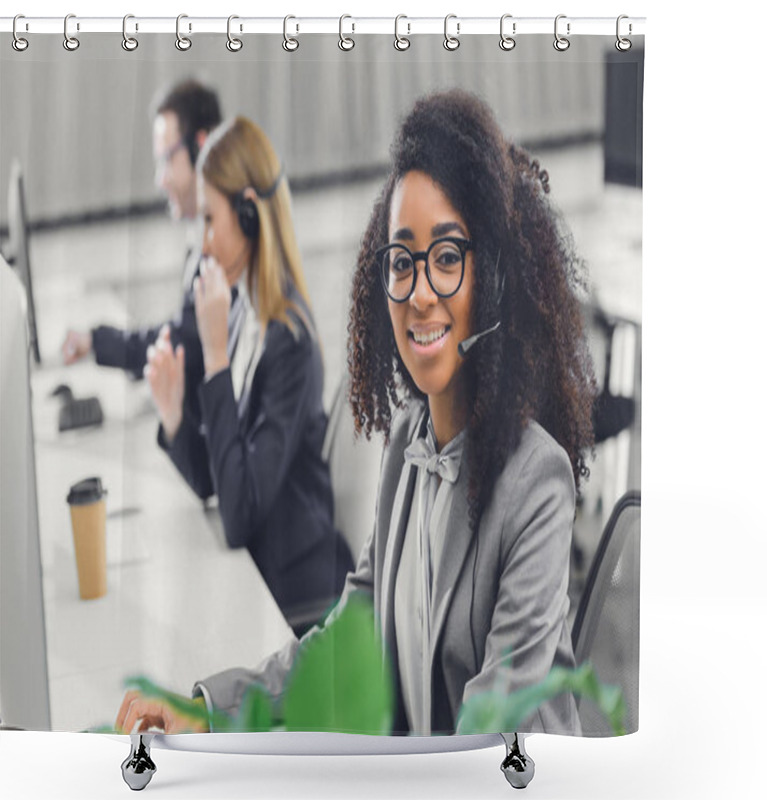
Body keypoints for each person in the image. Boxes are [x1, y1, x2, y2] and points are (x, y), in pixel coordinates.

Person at [116, 89, 596, 737]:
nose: (421, 292)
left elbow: (488, 735)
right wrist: (208, 708)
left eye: (449, 258)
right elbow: (351, 629)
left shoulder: (534, 480)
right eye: (402, 262)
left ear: (496, 281)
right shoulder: (408, 441)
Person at [144, 116, 352, 634]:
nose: (205, 244)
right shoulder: (243, 312)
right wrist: (173, 418)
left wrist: (215, 358)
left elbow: (239, 518)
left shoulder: (289, 341)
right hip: (262, 573)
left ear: (250, 216)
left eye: (211, 220)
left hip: (300, 600)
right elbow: (221, 477)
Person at [60, 79, 222, 407]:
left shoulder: (224, 244)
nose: (159, 179)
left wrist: (99, 342)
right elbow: (184, 334)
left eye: (167, 159)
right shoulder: (202, 236)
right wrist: (97, 341)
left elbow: (183, 342)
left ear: (200, 147)